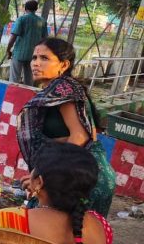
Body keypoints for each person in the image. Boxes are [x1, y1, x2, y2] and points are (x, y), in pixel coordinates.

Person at [17, 38, 116, 217]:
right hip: (77, 171)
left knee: (53, 231)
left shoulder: (65, 89)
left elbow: (80, 137)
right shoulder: (57, 91)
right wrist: (37, 173)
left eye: (44, 58)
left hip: (81, 176)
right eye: (34, 57)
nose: (36, 63)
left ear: (64, 65)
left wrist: (41, 175)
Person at [7, 0, 48, 86]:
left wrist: (8, 50)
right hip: (33, 55)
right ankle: (27, 98)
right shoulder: (42, 21)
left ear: (25, 8)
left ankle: (12, 97)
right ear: (36, 9)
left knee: (14, 79)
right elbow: (45, 40)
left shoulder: (21, 19)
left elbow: (13, 36)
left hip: (19, 53)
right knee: (29, 80)